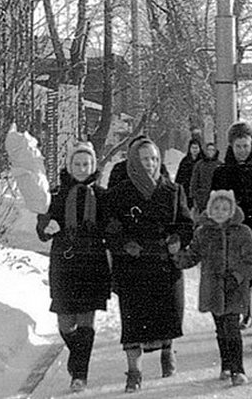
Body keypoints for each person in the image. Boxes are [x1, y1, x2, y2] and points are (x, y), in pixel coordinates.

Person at [103, 137, 194, 393]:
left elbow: (186, 224)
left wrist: (177, 238)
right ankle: (134, 372)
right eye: (145, 159)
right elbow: (109, 229)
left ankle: (168, 351)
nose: (151, 164)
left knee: (167, 314)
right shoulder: (119, 194)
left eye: (154, 159)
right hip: (133, 266)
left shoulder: (173, 191)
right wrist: (123, 244)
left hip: (164, 264)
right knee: (133, 321)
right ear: (134, 162)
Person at [34, 142, 113, 392]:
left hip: (92, 263)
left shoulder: (102, 195)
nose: (82, 168)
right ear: (69, 166)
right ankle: (76, 356)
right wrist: (47, 227)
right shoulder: (55, 194)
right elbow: (42, 226)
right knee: (66, 324)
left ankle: (80, 374)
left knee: (86, 321)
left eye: (86, 164)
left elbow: (112, 226)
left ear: (93, 165)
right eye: (77, 164)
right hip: (64, 263)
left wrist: (103, 229)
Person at [174, 190, 252, 386]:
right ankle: (226, 365)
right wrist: (177, 257)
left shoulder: (242, 232)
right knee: (221, 328)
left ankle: (238, 369)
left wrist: (238, 275)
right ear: (209, 209)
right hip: (212, 288)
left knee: (232, 328)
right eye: (216, 208)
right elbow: (193, 255)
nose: (220, 212)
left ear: (232, 210)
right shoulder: (203, 232)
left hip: (234, 288)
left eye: (224, 208)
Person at [210, 121, 252, 248]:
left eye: (246, 146)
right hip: (229, 235)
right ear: (231, 146)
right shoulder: (221, 172)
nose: (242, 151)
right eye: (238, 146)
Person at [189, 142, 221, 215]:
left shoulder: (219, 164)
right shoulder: (199, 164)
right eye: (208, 150)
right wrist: (193, 195)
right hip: (201, 197)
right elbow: (194, 181)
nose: (210, 152)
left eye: (212, 150)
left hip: (215, 196)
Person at [173, 133, 203, 202]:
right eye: (193, 148)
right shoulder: (185, 161)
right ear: (189, 149)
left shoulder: (202, 161)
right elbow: (179, 177)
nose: (194, 150)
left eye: (196, 148)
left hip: (199, 192)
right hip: (186, 191)